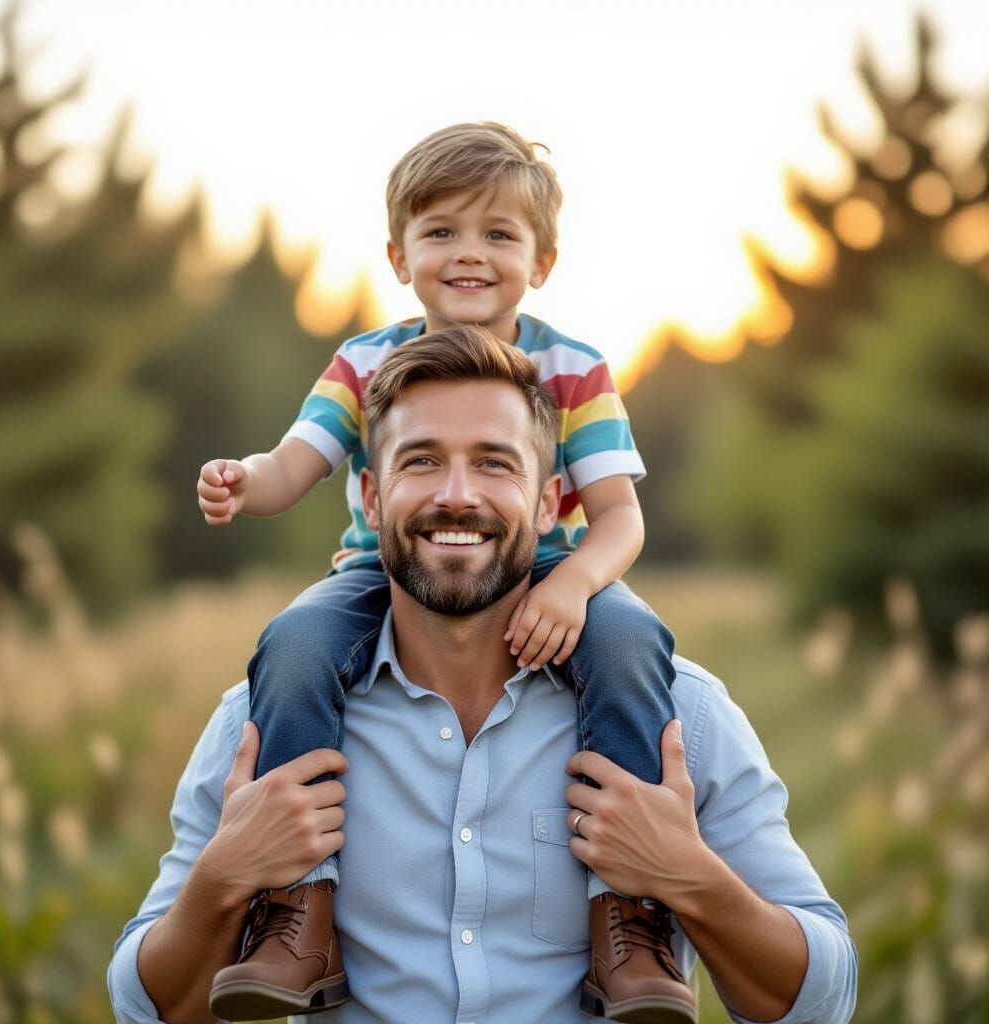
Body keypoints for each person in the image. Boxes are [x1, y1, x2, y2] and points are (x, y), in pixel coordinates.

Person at [109, 328, 858, 1024]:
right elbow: (144, 1006)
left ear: (544, 505)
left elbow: (825, 997)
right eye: (421, 460)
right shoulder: (269, 713)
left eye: (494, 462)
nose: (457, 495)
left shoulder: (675, 713)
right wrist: (222, 881)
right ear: (371, 500)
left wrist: (690, 877)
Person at [194, 124, 685, 1020]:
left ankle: (631, 918)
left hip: (539, 564)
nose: (470, 254)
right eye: (442, 231)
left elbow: (619, 519)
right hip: (383, 569)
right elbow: (292, 466)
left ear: (542, 260)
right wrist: (242, 481)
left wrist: (571, 585)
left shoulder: (572, 368)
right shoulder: (362, 362)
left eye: (499, 234)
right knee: (296, 641)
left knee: (630, 642)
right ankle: (300, 910)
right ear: (398, 253)